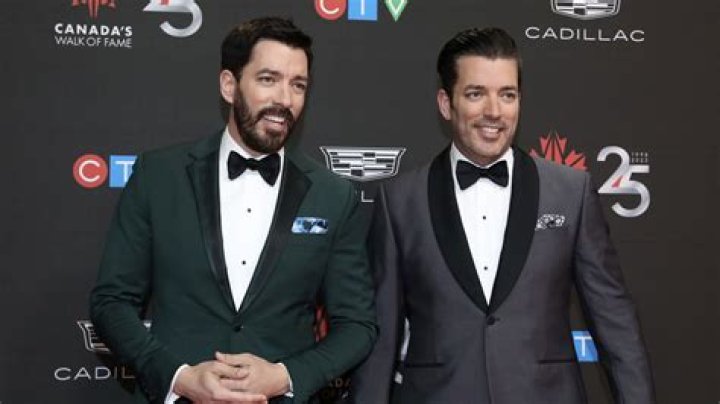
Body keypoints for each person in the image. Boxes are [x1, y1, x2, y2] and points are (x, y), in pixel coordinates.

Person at [350, 27, 655, 403]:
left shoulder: (570, 192)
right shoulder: (399, 200)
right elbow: (380, 340)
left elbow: (614, 321)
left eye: (507, 95)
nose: (494, 112)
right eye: (476, 94)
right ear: (446, 103)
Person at [90, 17, 377, 404]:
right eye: (268, 79)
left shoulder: (334, 196)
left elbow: (357, 325)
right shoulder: (158, 176)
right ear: (229, 85)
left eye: (298, 85)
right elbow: (111, 302)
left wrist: (285, 376)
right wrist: (179, 377)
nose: (284, 99)